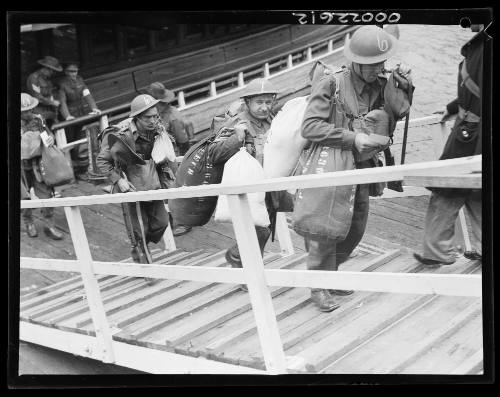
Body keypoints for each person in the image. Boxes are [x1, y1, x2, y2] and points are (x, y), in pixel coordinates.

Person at [300, 25, 412, 312]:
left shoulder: (381, 84)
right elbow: (310, 127)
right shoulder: (330, 83)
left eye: (381, 63)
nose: (377, 69)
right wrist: (353, 138)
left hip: (363, 168)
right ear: (356, 62)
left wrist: (402, 86)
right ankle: (318, 285)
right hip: (333, 166)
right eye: (372, 65)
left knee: (354, 229)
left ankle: (331, 273)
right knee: (325, 229)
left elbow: (397, 115)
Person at [413, 25, 486, 267]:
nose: (464, 21)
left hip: (471, 135)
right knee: (477, 193)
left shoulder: (486, 44)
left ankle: (435, 252)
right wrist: (453, 107)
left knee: (447, 190)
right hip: (470, 130)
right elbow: (476, 88)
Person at [207, 78, 278, 291]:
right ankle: (240, 261)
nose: (264, 107)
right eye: (259, 102)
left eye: (268, 101)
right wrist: (236, 138)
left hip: (266, 186)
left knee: (265, 229)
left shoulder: (272, 120)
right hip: (245, 187)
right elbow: (214, 154)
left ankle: (246, 272)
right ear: (247, 103)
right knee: (260, 230)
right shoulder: (236, 122)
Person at [96, 94, 170, 271]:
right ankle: (146, 267)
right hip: (129, 184)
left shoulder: (158, 130)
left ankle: (140, 246)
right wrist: (118, 180)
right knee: (138, 229)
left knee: (161, 222)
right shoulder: (120, 134)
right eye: (148, 117)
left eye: (155, 115)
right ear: (136, 118)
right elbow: (102, 161)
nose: (153, 120)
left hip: (151, 182)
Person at [146, 82, 195, 237]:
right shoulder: (156, 114)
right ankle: (169, 220)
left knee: (176, 187)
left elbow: (183, 139)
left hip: (172, 157)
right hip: (156, 158)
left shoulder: (172, 115)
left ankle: (184, 221)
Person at [20, 93, 64, 240]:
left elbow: (47, 134)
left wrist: (50, 139)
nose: (28, 113)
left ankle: (49, 225)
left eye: (30, 109)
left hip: (38, 164)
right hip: (20, 166)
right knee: (23, 196)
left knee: (47, 194)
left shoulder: (38, 119)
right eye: (24, 111)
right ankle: (28, 222)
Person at [57, 63, 102, 179]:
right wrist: (67, 116)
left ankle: (80, 168)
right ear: (66, 72)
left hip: (80, 113)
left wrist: (94, 108)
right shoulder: (62, 84)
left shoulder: (80, 80)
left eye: (75, 71)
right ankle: (72, 169)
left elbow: (87, 95)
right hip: (69, 117)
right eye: (71, 72)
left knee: (77, 138)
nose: (74, 74)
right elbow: (62, 102)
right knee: (69, 140)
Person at [26, 55, 62, 128]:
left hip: (50, 112)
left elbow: (50, 94)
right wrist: (52, 102)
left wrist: (54, 103)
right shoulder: (33, 78)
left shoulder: (47, 79)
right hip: (38, 112)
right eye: (52, 70)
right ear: (45, 68)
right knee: (44, 134)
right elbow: (37, 97)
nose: (53, 73)